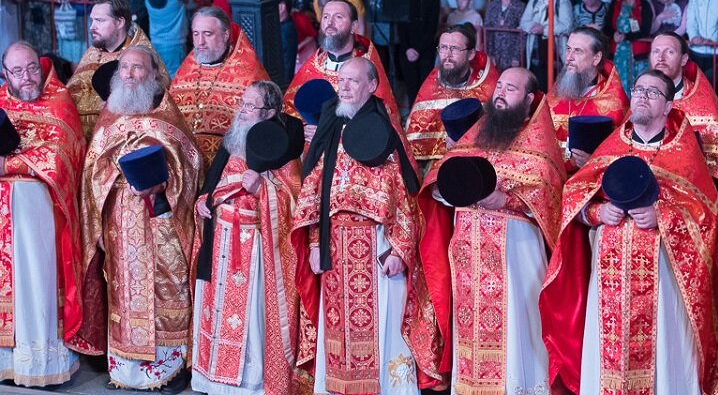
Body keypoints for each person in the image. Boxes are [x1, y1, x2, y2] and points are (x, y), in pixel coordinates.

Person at [539, 70, 718, 395]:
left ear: (668, 105)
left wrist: (662, 215)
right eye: (639, 89)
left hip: (662, 276)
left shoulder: (686, 152)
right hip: (609, 277)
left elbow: (707, 215)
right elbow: (575, 197)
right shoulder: (611, 146)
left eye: (653, 92)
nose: (643, 96)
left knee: (663, 356)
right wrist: (596, 213)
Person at [414, 68, 566, 392]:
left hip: (517, 258)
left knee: (516, 331)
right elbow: (441, 178)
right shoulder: (476, 135)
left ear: (528, 99)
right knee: (470, 331)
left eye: (511, 88)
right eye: (500, 86)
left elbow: (550, 196)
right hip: (469, 258)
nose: (501, 92)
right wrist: (447, 188)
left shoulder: (540, 144)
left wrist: (508, 199)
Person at [294, 57, 422, 395]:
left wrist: (400, 249)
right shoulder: (331, 125)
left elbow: (407, 194)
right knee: (339, 328)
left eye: (353, 81)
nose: (344, 87)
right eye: (341, 81)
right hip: (334, 243)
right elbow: (314, 189)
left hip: (376, 244)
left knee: (381, 324)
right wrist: (315, 244)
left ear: (371, 85)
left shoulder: (387, 128)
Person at [79, 46, 203, 389]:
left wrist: (166, 182)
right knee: (124, 290)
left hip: (161, 222)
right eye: (125, 68)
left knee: (165, 288)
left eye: (138, 68)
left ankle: (168, 371)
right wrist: (111, 182)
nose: (130, 74)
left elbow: (191, 164)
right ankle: (125, 371)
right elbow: (92, 170)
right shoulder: (109, 116)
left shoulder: (168, 115)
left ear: (154, 74)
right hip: (119, 219)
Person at [191, 81, 311, 395]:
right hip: (221, 239)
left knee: (250, 320)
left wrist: (263, 189)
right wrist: (204, 201)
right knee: (216, 312)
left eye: (250, 106)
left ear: (270, 112)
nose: (242, 111)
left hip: (255, 246)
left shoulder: (283, 148)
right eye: (242, 104)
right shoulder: (232, 140)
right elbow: (212, 183)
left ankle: (249, 383)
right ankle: (214, 378)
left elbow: (295, 200)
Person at [0, 42, 89, 381]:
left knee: (34, 283)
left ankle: (36, 363)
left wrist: (7, 164)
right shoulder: (1, 101)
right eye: (18, 72)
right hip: (3, 220)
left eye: (32, 68)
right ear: (6, 74)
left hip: (40, 219)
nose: (27, 77)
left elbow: (60, 157)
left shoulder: (59, 102)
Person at [648, 31, 718, 211]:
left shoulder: (704, 106)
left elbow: (716, 168)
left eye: (669, 52)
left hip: (693, 197)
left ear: (684, 59)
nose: (660, 58)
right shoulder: (640, 98)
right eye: (655, 51)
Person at [284, 0, 403, 136]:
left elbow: (383, 119)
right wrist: (302, 128)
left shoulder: (366, 67)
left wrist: (336, 131)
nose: (330, 22)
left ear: (354, 27)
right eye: (326, 17)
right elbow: (290, 110)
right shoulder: (314, 65)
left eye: (338, 17)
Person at [170, 7, 269, 164]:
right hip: (185, 162)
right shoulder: (186, 69)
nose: (200, 42)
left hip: (228, 163)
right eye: (196, 34)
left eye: (207, 34)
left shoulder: (249, 74)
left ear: (225, 35)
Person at [66, 0, 168, 137]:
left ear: (120, 22)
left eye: (99, 21)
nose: (92, 27)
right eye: (92, 20)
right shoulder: (91, 53)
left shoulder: (143, 58)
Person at [404, 23, 499, 163]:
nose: (447, 55)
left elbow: (498, 136)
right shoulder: (431, 85)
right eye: (443, 48)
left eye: (454, 48)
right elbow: (417, 138)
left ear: (471, 54)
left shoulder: (488, 86)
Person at [548, 27, 629, 166]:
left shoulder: (614, 102)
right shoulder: (560, 88)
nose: (569, 57)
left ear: (596, 58)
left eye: (577, 51)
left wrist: (594, 161)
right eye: (568, 49)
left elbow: (620, 152)